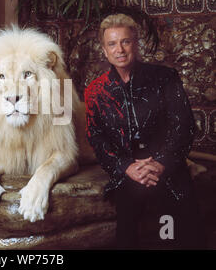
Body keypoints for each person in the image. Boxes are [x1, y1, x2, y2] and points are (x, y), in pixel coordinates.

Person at [84, 13, 205, 249]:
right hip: (127, 171)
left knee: (183, 229)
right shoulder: (95, 91)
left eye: (125, 41)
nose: (119, 49)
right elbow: (97, 138)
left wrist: (159, 164)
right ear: (104, 50)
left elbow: (184, 125)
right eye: (112, 44)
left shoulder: (165, 78)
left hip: (168, 168)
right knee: (127, 230)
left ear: (136, 44)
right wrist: (127, 167)